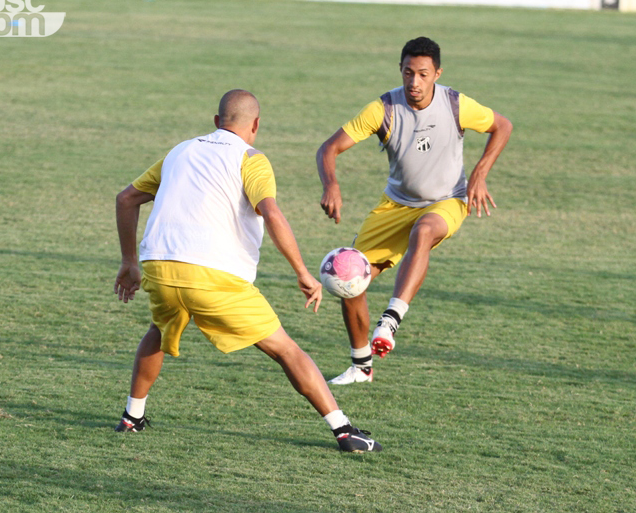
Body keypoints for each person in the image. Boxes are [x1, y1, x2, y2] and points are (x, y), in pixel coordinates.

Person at [112, 89, 381, 452]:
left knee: (159, 330)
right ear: (255, 125)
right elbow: (271, 213)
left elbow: (125, 198)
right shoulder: (251, 158)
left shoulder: (180, 151)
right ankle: (344, 431)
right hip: (214, 278)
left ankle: (132, 418)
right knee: (286, 350)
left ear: (215, 122)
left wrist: (129, 261)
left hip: (159, 268)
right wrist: (302, 271)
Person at [316, 37, 513, 384]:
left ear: (437, 73)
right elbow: (329, 148)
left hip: (447, 200)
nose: (414, 82)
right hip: (395, 204)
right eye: (408, 73)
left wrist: (480, 173)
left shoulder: (455, 104)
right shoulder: (383, 109)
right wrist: (331, 184)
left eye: (423, 74)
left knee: (424, 231)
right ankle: (361, 367)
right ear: (401, 71)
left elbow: (503, 125)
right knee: (351, 278)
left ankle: (390, 320)